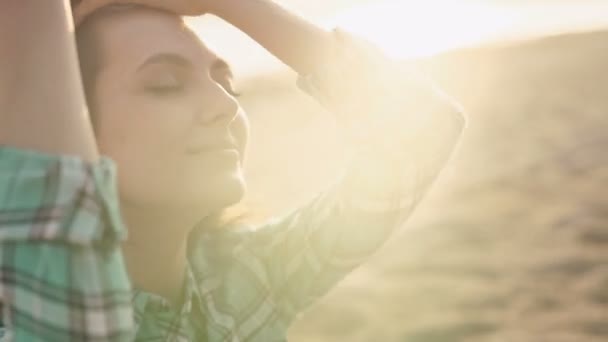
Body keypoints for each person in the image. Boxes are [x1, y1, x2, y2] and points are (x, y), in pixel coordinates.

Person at [0, 0, 465, 341]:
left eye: (227, 84)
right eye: (164, 85)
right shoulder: (32, 323)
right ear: (69, 124)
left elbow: (419, 134)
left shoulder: (245, 278)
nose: (224, 106)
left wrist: (231, 5)